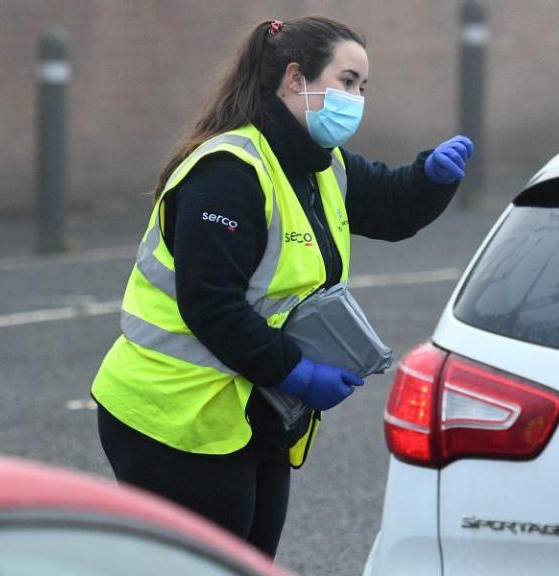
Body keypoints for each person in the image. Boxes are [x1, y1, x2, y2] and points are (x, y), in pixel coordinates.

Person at [90, 16, 472, 558]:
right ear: (296, 78)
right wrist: (298, 371)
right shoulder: (228, 172)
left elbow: (389, 206)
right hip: (172, 417)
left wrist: (430, 177)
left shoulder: (320, 164)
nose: (357, 99)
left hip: (251, 409)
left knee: (250, 559)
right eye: (346, 81)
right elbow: (212, 306)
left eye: (363, 87)